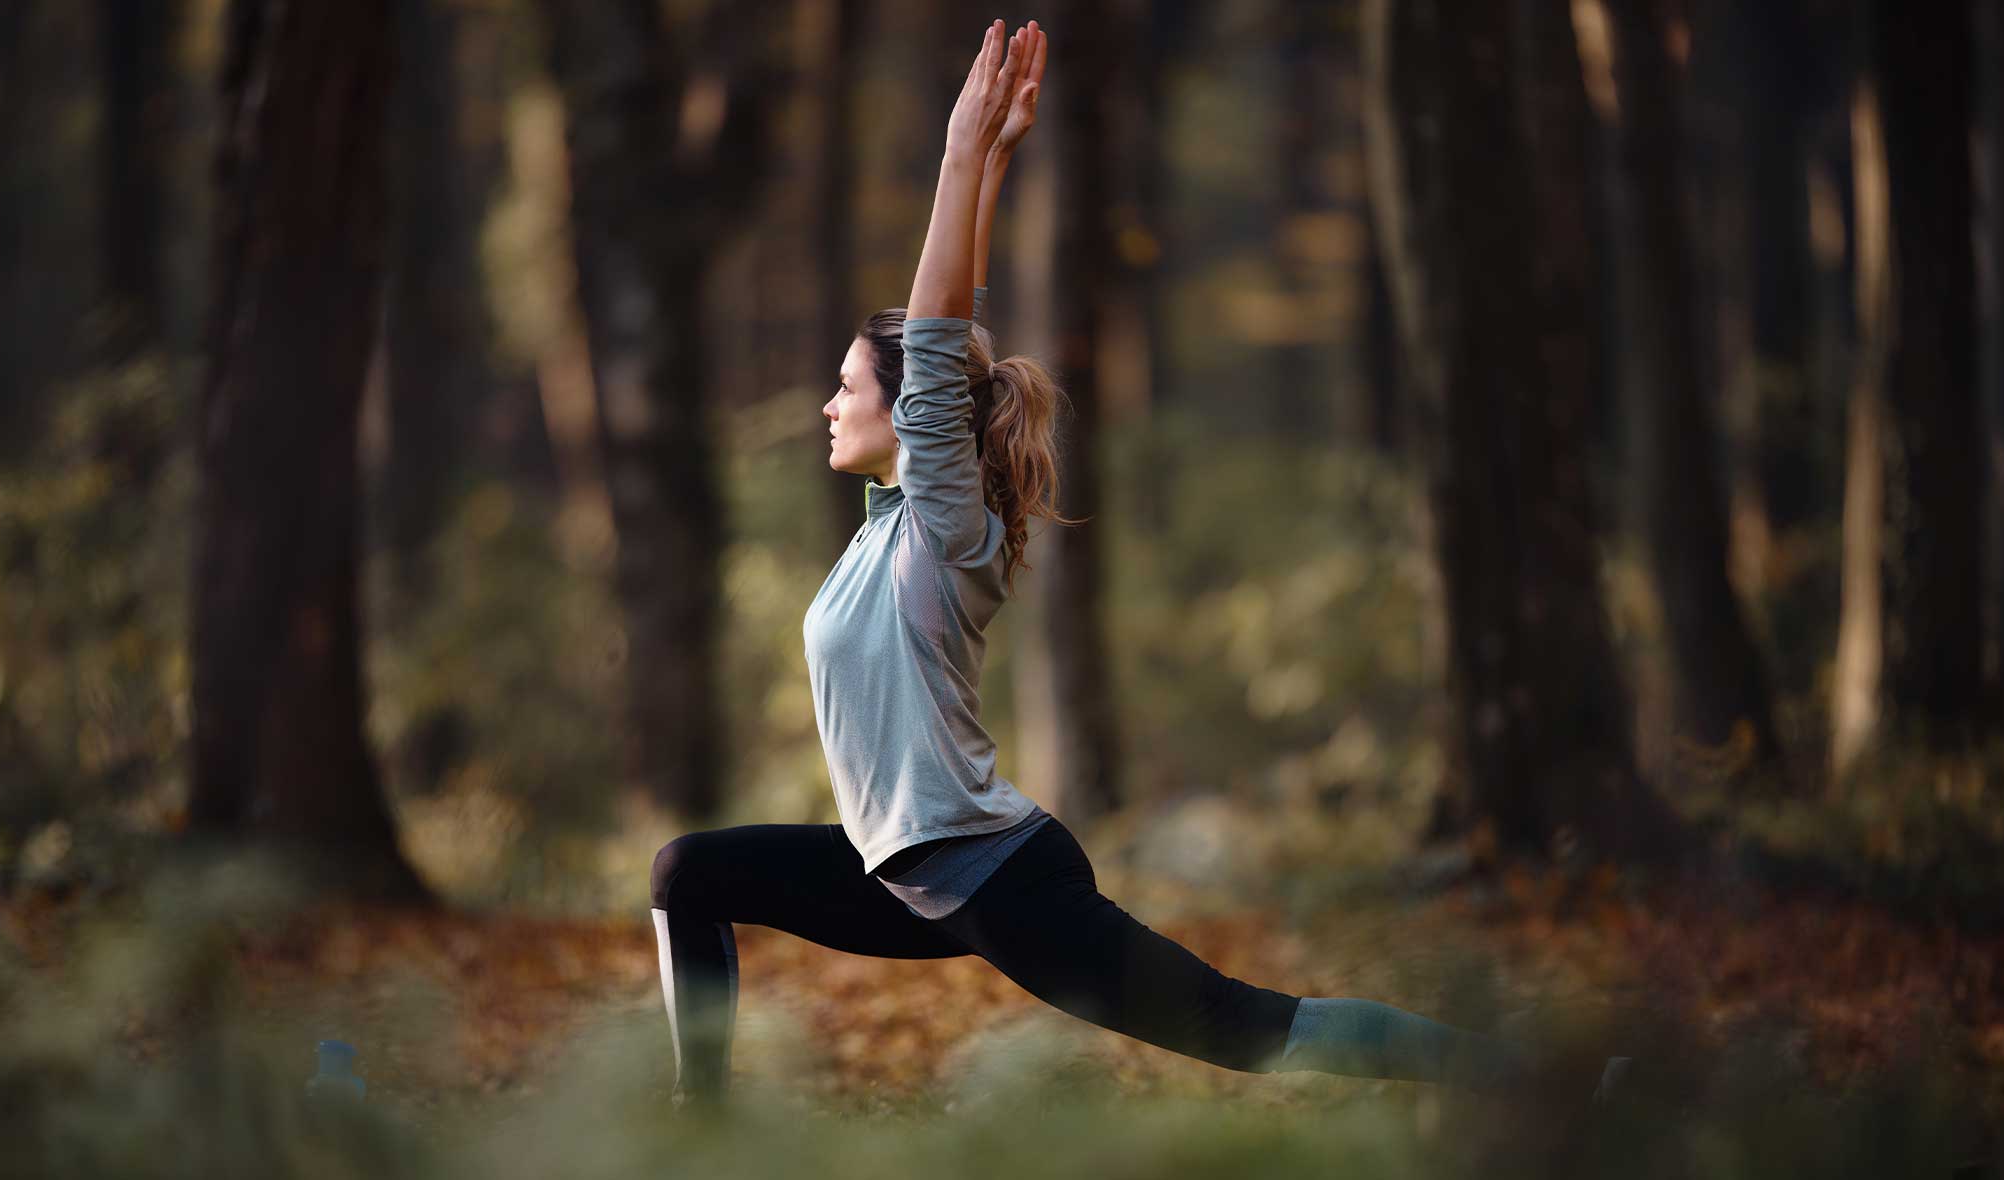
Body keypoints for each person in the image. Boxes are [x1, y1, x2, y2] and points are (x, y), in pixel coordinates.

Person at [648, 18, 1617, 1114]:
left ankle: (1551, 1080)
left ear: (910, 419)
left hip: (991, 874)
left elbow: (934, 342)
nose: (829, 402)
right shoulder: (884, 526)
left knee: (1249, 1031)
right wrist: (996, 165)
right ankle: (702, 1123)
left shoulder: (942, 531)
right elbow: (948, 351)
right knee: (691, 871)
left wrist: (962, 158)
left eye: (846, 386)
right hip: (892, 873)